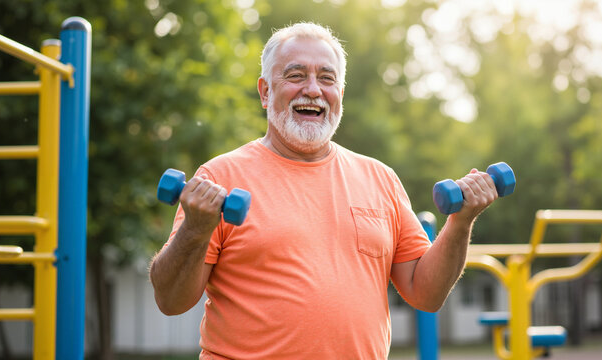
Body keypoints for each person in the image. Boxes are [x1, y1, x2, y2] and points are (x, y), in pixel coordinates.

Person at [149, 22, 498, 360]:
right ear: (265, 92)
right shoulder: (220, 177)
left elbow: (427, 294)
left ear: (340, 95)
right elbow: (171, 301)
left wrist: (461, 222)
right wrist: (195, 229)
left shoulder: (380, 178)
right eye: (296, 75)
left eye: (326, 78)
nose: (313, 89)